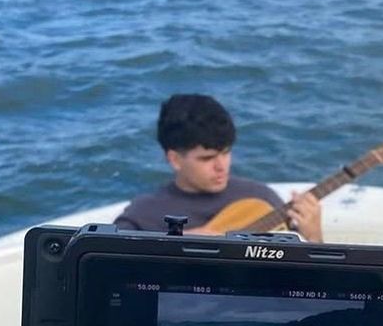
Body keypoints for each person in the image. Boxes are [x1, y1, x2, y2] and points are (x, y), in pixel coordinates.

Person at [114, 94, 323, 241]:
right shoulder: (143, 214)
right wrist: (175, 243)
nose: (221, 167)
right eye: (207, 158)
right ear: (175, 159)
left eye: (226, 153)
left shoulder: (261, 198)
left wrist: (313, 236)